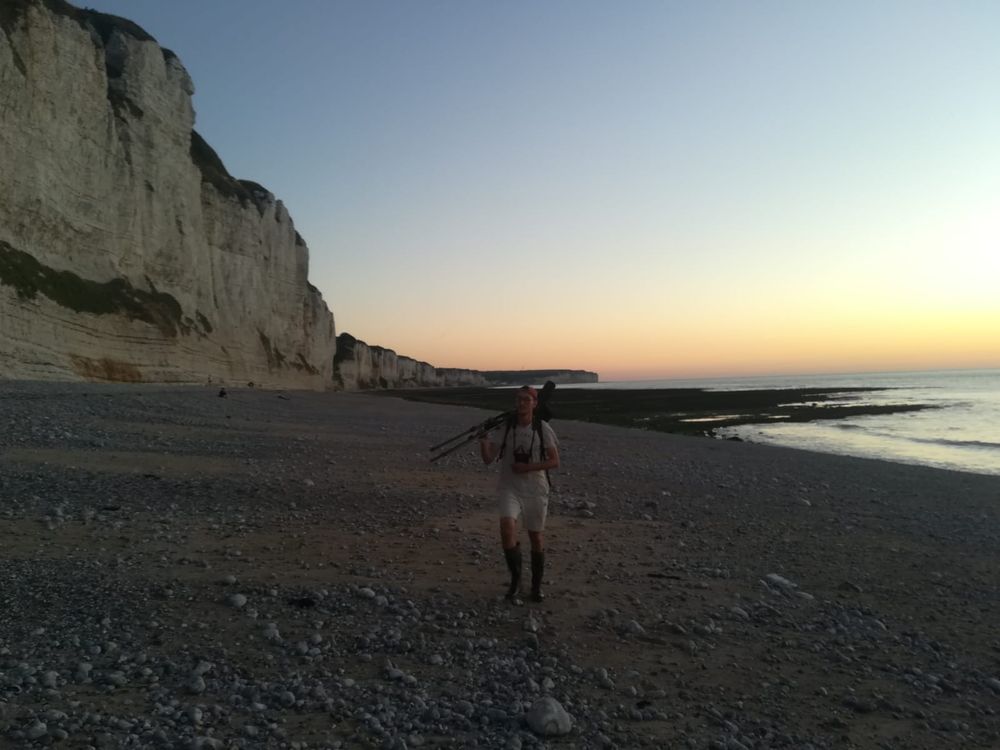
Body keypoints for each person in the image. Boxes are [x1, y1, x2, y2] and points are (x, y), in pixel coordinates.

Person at [478, 386, 560, 602]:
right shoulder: (506, 427)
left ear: (535, 403)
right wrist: (484, 441)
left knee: (535, 537)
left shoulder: (542, 429)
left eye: (526, 399)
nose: (522, 403)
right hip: (509, 486)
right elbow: (488, 459)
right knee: (506, 528)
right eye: (519, 399)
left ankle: (536, 587)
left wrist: (528, 468)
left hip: (536, 488)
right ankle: (516, 582)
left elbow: (554, 461)